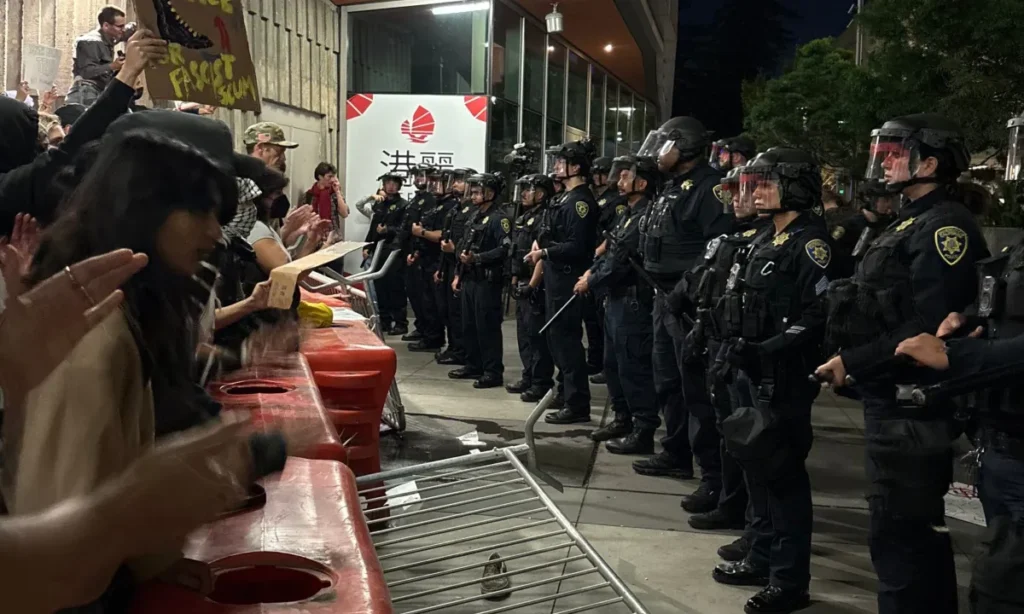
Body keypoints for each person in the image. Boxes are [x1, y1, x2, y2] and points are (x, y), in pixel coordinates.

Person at [7, 127, 242, 601]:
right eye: (199, 211)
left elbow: (112, 465)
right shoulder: (95, 329)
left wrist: (151, 560)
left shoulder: (131, 310)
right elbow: (59, 515)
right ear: (144, 211)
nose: (215, 233)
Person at [814, 114, 986, 614]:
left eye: (896, 153)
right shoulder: (910, 218)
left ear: (928, 164)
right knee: (897, 530)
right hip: (887, 393)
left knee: (904, 533)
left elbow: (928, 328)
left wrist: (854, 360)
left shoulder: (944, 226)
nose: (885, 162)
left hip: (911, 404)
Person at [710, 148, 836, 614]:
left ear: (795, 187)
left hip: (783, 375)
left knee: (784, 480)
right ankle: (760, 554)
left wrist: (769, 349)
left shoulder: (811, 243)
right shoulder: (769, 235)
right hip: (751, 369)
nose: (755, 191)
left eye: (766, 183)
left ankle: (789, 580)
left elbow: (818, 314)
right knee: (758, 471)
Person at [633, 117, 731, 510]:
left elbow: (717, 249)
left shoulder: (710, 188)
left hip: (689, 301)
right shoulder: (671, 187)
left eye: (666, 144)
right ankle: (676, 452)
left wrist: (685, 289)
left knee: (697, 391)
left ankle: (713, 477)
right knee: (668, 382)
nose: (659, 152)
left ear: (685, 146)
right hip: (664, 297)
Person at [677, 163, 771, 550]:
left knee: (750, 442)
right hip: (716, 340)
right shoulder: (735, 236)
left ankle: (748, 520)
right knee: (721, 426)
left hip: (750, 354)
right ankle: (723, 494)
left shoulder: (773, 239)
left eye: (747, 190)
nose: (738, 199)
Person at [0, 28, 168, 236]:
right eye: (32, 134)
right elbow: (69, 151)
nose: (41, 145)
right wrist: (127, 73)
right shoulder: (8, 192)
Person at [578, 156, 658, 453]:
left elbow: (620, 262)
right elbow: (610, 251)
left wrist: (591, 280)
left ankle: (643, 429)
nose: (619, 182)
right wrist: (592, 272)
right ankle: (623, 418)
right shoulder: (627, 214)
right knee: (613, 365)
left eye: (626, 176)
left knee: (633, 368)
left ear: (642, 183)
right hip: (615, 300)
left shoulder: (644, 216)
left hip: (632, 302)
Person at [525, 140, 600, 423]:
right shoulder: (564, 198)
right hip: (556, 277)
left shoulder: (580, 201)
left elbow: (578, 246)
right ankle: (566, 391)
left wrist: (545, 252)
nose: (556, 167)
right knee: (556, 339)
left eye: (562, 162)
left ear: (576, 167)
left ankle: (577, 403)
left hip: (568, 277)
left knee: (567, 341)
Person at [447, 173, 511, 388]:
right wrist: (458, 274)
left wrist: (479, 258)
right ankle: (473, 365)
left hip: (487, 281)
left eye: (477, 192)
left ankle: (492, 371)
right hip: (469, 278)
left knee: (487, 327)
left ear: (490, 193)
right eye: (472, 192)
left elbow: (505, 249)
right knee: (469, 325)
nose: (473, 196)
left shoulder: (499, 219)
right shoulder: (474, 215)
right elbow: (464, 245)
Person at [506, 174, 556, 399]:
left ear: (541, 193)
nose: (524, 194)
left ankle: (541, 382)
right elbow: (518, 253)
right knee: (524, 334)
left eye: (529, 189)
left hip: (536, 284)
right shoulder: (524, 217)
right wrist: (515, 280)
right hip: (522, 280)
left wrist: (532, 285)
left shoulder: (545, 217)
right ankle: (528, 375)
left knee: (537, 337)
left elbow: (542, 256)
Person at [435, 168, 477, 365]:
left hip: (463, 267)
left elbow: (468, 242)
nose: (454, 184)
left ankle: (462, 351)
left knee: (459, 313)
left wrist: (455, 252)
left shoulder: (473, 210)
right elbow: (446, 238)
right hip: (449, 264)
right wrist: (441, 268)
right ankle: (453, 347)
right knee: (447, 311)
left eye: (459, 181)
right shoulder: (455, 209)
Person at [407, 168, 449, 352]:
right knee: (427, 302)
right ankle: (430, 337)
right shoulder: (435, 204)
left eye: (437, 182)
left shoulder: (447, 205)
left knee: (437, 305)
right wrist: (417, 250)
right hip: (426, 257)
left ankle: (435, 339)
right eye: (431, 182)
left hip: (438, 259)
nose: (434, 186)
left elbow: (441, 235)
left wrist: (421, 233)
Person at [365, 171, 409, 335]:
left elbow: (404, 229)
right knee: (380, 286)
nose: (391, 186)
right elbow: (373, 227)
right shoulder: (379, 204)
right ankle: (384, 321)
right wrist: (367, 246)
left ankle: (400, 322)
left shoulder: (404, 205)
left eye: (394, 183)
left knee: (395, 286)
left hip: (395, 251)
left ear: (399, 186)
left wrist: (388, 230)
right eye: (388, 183)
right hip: (378, 250)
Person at [401, 164, 439, 343]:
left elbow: (427, 226)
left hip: (425, 253)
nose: (418, 179)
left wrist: (417, 250)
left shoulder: (432, 200)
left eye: (422, 175)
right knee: (414, 294)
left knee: (426, 298)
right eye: (416, 175)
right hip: (411, 251)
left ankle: (430, 333)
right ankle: (421, 327)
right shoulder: (416, 199)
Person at [65, 6, 126, 106]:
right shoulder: (90, 41)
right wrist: (113, 66)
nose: (123, 30)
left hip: (95, 91)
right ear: (106, 25)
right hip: (85, 94)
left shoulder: (108, 39)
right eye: (120, 26)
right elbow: (85, 72)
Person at [301, 162, 348, 243]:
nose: (332, 180)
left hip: (334, 238)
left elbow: (344, 214)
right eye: (329, 176)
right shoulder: (309, 195)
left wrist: (338, 192)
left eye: (333, 176)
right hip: (314, 239)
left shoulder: (334, 194)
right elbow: (304, 219)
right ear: (320, 177)